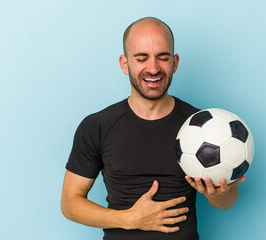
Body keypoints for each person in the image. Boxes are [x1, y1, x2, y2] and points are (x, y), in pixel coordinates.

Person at [61, 17, 246, 240]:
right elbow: (70, 203)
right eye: (141, 58)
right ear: (124, 63)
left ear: (175, 62)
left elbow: (227, 201)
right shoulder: (97, 126)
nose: (153, 68)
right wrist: (128, 219)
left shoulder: (203, 126)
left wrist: (217, 195)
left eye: (163, 57)